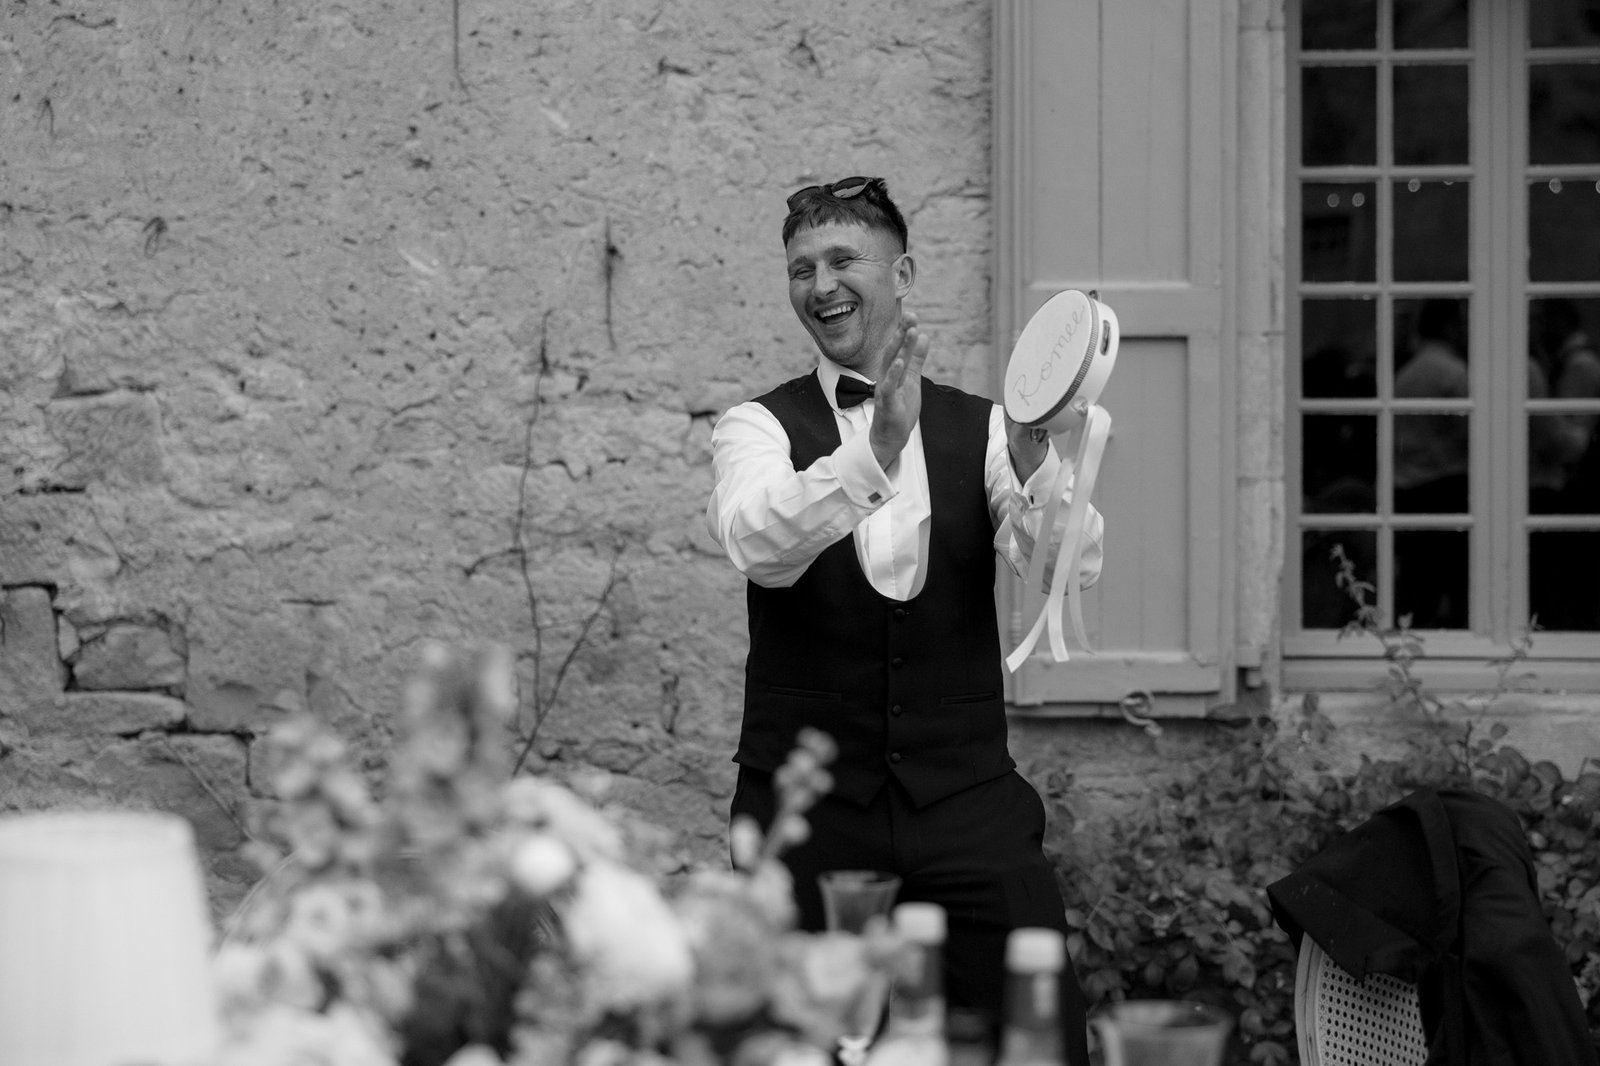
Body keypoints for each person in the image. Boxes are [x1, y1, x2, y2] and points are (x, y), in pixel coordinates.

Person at [705, 175, 1104, 1065]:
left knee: (1033, 1041)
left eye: (843, 259)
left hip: (965, 806)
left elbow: (1064, 569)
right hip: (809, 821)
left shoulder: (992, 428)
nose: (821, 285)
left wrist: (1041, 461)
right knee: (809, 1047)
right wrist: (874, 449)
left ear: (904, 271)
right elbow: (755, 541)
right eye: (801, 268)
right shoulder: (756, 428)